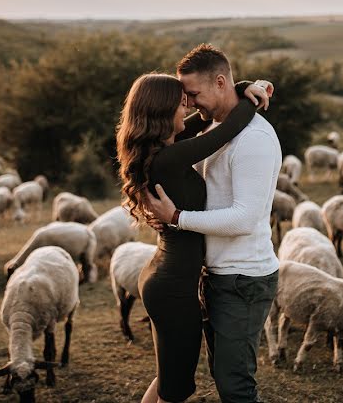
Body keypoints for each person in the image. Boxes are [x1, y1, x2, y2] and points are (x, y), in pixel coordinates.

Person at [116, 63, 272, 403]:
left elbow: (207, 118)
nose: (189, 106)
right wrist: (251, 92)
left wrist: (240, 86)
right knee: (177, 389)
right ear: (161, 111)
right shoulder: (169, 158)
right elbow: (226, 128)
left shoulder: (159, 150)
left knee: (168, 379)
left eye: (190, 98)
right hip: (172, 289)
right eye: (181, 102)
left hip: (163, 277)